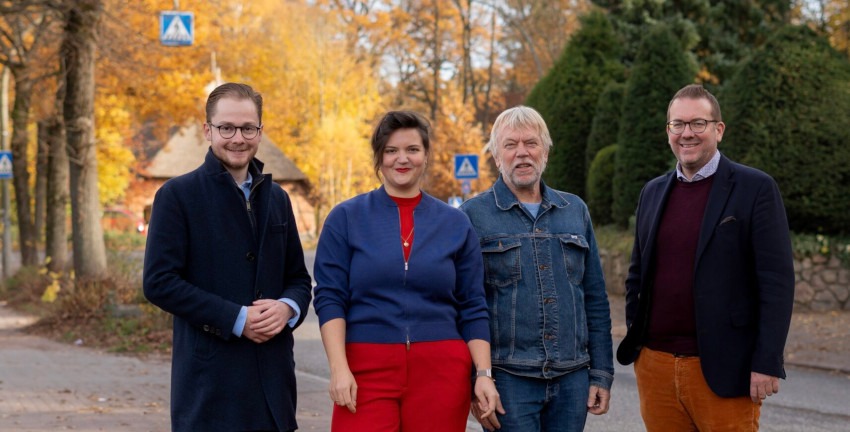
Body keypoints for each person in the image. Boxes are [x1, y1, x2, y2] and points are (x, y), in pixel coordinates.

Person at [616, 84, 795, 431]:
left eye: (698, 123)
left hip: (726, 368)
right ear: (668, 130)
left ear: (719, 129)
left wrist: (767, 360)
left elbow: (776, 282)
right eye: (678, 124)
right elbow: (637, 274)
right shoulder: (652, 191)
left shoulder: (755, 188)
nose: (687, 133)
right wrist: (639, 341)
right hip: (656, 366)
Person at [312, 110, 501, 431]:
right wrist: (338, 368)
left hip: (441, 372)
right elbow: (330, 298)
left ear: (426, 156)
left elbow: (473, 304)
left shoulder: (455, 223)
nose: (402, 159)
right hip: (364, 369)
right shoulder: (345, 218)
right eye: (391, 150)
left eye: (412, 149)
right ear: (379, 157)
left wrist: (483, 375)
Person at [143, 82, 312, 432]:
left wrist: (287, 308)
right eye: (227, 128)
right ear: (208, 130)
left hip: (273, 385)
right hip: (210, 387)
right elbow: (159, 283)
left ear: (260, 132)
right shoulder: (177, 196)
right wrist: (236, 318)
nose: (238, 138)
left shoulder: (278, 199)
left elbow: (298, 278)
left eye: (248, 128)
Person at [460, 106, 614, 432]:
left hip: (572, 379)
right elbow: (464, 305)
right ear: (496, 156)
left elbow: (595, 299)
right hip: (508, 381)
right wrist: (476, 379)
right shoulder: (472, 216)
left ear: (545, 151)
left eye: (531, 143)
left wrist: (601, 373)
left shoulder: (575, 210)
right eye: (510, 145)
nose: (522, 153)